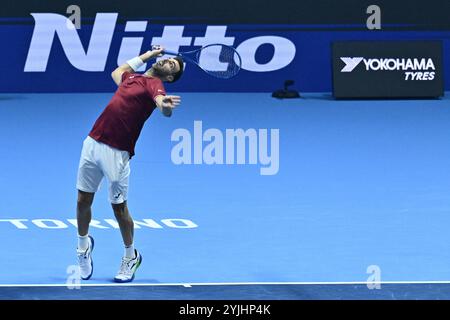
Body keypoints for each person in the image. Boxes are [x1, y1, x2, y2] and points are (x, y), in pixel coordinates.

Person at [75, 45, 183, 283]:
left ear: (169, 77)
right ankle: (83, 248)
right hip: (93, 142)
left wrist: (166, 107)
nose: (166, 62)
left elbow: (161, 104)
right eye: (167, 59)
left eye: (172, 65)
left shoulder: (154, 85)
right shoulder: (132, 77)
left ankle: (130, 255)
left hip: (118, 153)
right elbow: (118, 71)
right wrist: (149, 55)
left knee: (119, 209)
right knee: (83, 200)